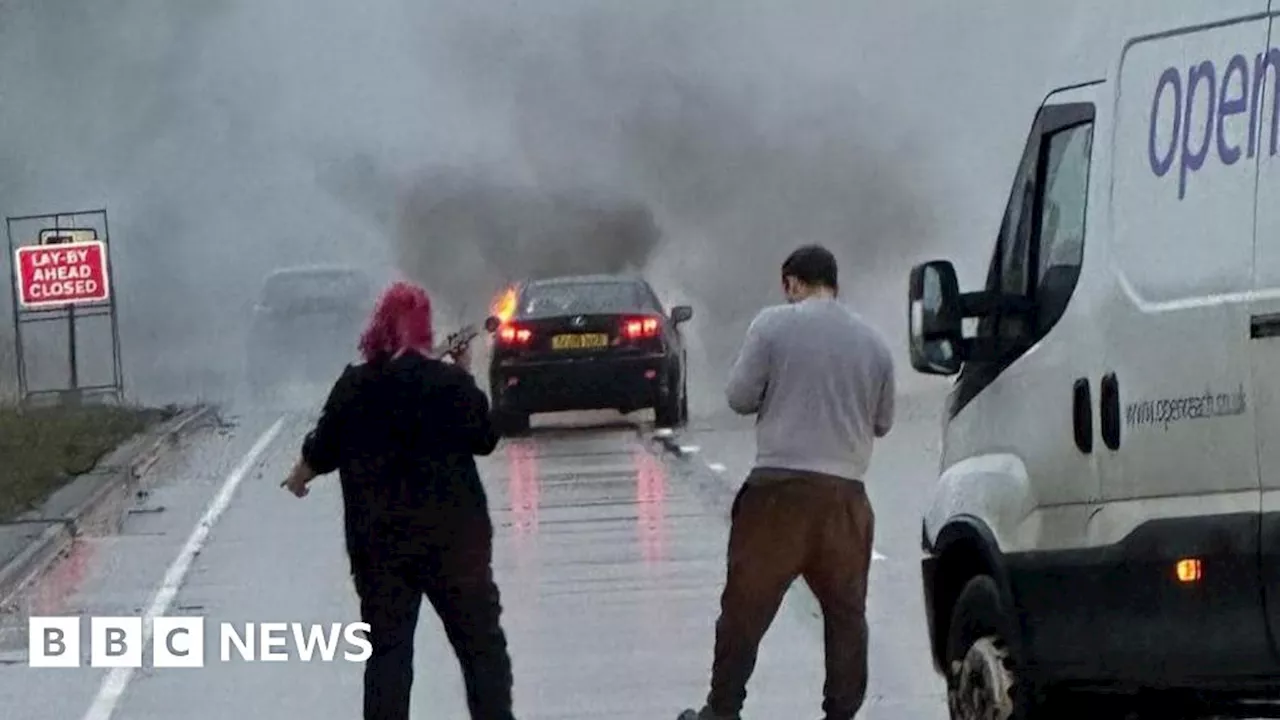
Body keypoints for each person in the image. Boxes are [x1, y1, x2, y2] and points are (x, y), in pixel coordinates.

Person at [281, 280, 516, 720]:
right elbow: (485, 437)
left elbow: (324, 447)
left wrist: (301, 474)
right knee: (482, 652)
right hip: (455, 546)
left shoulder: (354, 386)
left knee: (388, 658)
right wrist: (464, 374)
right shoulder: (448, 384)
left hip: (380, 547)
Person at [679, 245, 895, 720]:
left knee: (744, 608)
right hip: (845, 499)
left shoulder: (773, 325)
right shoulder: (875, 344)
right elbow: (882, 422)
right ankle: (840, 713)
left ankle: (723, 709)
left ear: (792, 283)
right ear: (834, 284)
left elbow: (738, 396)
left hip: (778, 495)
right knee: (846, 615)